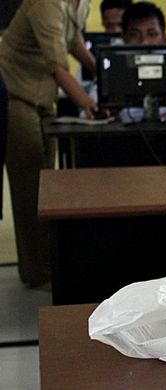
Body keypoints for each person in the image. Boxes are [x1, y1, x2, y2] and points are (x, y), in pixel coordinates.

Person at [0, 0, 99, 287]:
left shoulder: (81, 3)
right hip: (14, 95)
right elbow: (58, 66)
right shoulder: (46, 3)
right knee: (29, 187)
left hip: (43, 98)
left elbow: (73, 40)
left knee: (46, 185)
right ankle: (37, 273)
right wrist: (90, 103)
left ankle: (48, 264)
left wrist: (105, 74)